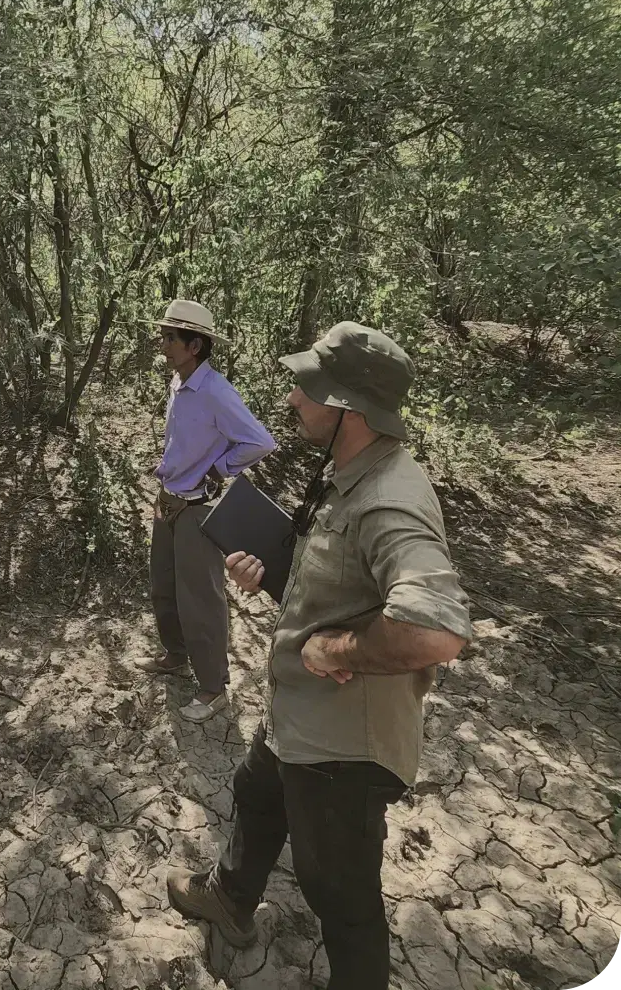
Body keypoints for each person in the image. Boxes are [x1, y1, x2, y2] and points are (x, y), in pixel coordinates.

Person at [165, 321, 473, 990]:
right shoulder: (350, 470)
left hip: (343, 749)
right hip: (302, 718)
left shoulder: (391, 498)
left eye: (307, 387)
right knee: (255, 791)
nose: (293, 399)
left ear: (347, 406)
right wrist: (274, 575)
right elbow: (340, 581)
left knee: (340, 897)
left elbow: (436, 630)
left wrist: (336, 646)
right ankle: (231, 898)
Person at [137, 299, 277, 722]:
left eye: (170, 338)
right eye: (164, 336)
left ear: (194, 344)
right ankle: (175, 656)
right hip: (169, 502)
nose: (162, 344)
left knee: (200, 600)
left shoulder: (216, 390)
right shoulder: (179, 384)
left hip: (198, 509)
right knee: (164, 586)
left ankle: (213, 687)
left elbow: (260, 441)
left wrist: (218, 469)